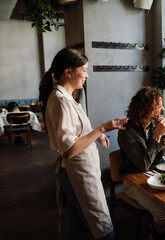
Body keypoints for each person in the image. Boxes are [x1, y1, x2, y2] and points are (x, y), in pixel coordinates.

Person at [39, 48, 127, 240]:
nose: (87, 76)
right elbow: (69, 150)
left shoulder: (66, 98)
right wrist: (101, 129)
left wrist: (93, 135)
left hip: (81, 171)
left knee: (78, 226)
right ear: (68, 71)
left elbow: (74, 135)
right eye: (84, 70)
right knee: (102, 225)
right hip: (76, 172)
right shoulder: (61, 101)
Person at [117, 86, 165, 239]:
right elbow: (143, 165)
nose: (163, 109)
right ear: (147, 108)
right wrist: (156, 138)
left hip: (158, 178)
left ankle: (162, 231)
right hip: (134, 182)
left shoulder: (159, 126)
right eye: (159, 106)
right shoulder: (126, 131)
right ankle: (157, 230)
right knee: (164, 215)